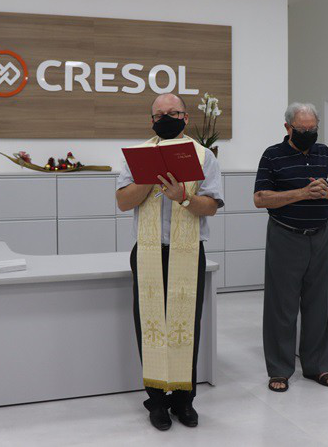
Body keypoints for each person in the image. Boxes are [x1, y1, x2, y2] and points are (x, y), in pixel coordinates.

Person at [116, 93, 224, 431]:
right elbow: (122, 201)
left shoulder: (204, 156)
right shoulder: (137, 156)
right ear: (151, 121)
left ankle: (183, 400)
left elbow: (212, 206)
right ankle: (156, 400)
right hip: (148, 250)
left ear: (185, 117)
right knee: (148, 324)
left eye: (173, 113)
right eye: (159, 114)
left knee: (186, 325)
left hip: (188, 251)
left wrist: (184, 197)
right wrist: (150, 176)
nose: (166, 118)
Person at [253, 102, 328, 393]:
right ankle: (279, 370)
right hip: (286, 235)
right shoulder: (272, 155)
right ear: (288, 128)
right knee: (281, 306)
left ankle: (317, 366)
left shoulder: (324, 152)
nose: (308, 133)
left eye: (312, 129)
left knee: (318, 304)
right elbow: (260, 198)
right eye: (302, 129)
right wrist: (302, 193)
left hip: (321, 235)